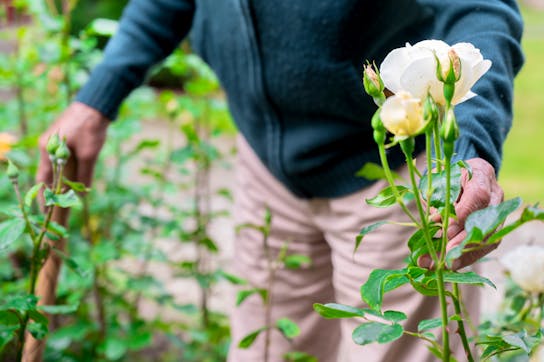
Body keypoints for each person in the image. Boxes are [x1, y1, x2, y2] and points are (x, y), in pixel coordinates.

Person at [37, 1, 524, 361]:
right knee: (266, 351)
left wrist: (473, 151)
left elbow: (480, 8)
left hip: (399, 182)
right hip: (267, 167)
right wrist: (95, 98)